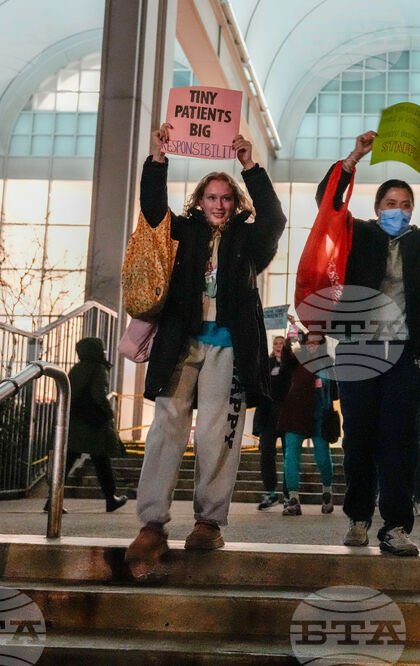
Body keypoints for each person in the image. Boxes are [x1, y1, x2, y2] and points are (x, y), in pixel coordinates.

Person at [124, 124, 286, 581]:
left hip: (230, 347)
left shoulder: (250, 240)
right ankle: (152, 523)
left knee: (218, 435)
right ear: (199, 201)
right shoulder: (184, 231)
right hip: (183, 342)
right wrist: (158, 158)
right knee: (166, 426)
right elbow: (153, 210)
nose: (218, 204)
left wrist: (250, 166)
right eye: (211, 197)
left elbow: (274, 218)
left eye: (226, 198)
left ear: (235, 204)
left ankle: (209, 522)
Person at [314, 130, 420, 555]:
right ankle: (359, 518)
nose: (397, 211)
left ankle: (396, 527)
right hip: (358, 349)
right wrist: (351, 161)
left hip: (409, 354)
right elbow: (326, 204)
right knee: (359, 437)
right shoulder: (357, 234)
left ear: (413, 211)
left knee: (400, 440)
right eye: (390, 204)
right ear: (377, 207)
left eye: (405, 206)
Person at [48, 337, 127, 514]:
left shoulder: (76, 369)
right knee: (102, 461)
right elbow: (99, 394)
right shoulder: (98, 368)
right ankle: (110, 499)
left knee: (67, 461)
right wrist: (109, 413)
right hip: (94, 422)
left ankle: (52, 499)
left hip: (75, 420)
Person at [275, 331, 337, 516]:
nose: (312, 344)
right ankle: (293, 498)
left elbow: (335, 391)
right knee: (291, 455)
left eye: (316, 341)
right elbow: (286, 358)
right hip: (296, 413)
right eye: (309, 341)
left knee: (323, 456)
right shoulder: (297, 359)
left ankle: (327, 490)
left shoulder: (328, 363)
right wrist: (289, 338)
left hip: (320, 415)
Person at [253, 334, 291, 509]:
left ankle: (289, 493)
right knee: (266, 452)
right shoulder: (266, 364)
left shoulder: (290, 364)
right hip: (268, 416)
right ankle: (270, 491)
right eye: (275, 343)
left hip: (287, 414)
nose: (278, 346)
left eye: (281, 343)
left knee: (288, 455)